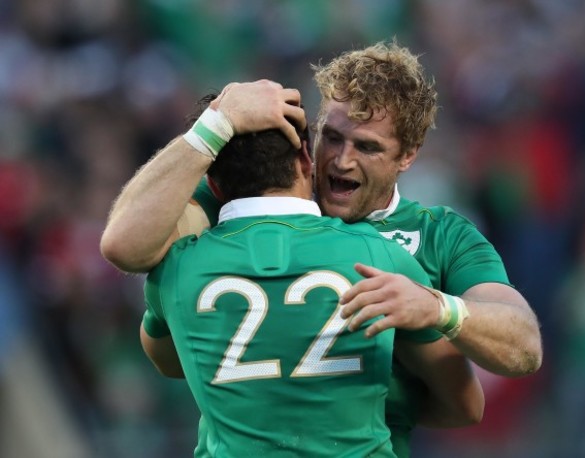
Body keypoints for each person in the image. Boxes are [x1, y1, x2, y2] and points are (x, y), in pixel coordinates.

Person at [101, 40, 542, 454]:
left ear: (408, 155)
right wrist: (216, 124)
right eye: (332, 136)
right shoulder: (255, 194)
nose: (342, 160)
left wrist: (438, 309)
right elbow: (124, 244)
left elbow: (522, 347)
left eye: (367, 147)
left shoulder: (441, 236)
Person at [139, 109, 484, 457]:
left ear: (213, 185)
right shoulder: (381, 257)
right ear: (307, 160)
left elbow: (170, 362)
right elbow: (466, 404)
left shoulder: (176, 270)